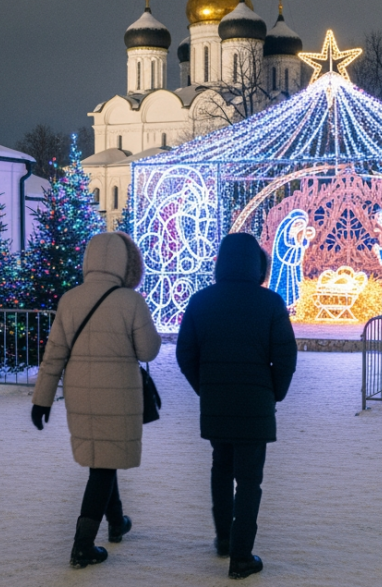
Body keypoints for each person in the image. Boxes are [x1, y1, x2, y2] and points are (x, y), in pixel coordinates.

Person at [30, 232, 161, 568]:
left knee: (102, 457)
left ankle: (117, 523)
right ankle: (82, 545)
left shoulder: (70, 299)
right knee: (104, 464)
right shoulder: (130, 301)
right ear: (125, 262)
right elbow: (149, 350)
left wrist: (41, 400)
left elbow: (54, 354)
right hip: (118, 395)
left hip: (78, 393)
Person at [176, 233, 297, 579]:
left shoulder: (201, 301)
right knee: (249, 479)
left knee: (220, 467)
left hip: (217, 400)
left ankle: (225, 539)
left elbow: (185, 353)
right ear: (259, 264)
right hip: (256, 403)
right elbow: (285, 356)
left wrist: (205, 387)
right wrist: (274, 392)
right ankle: (241, 555)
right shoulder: (271, 303)